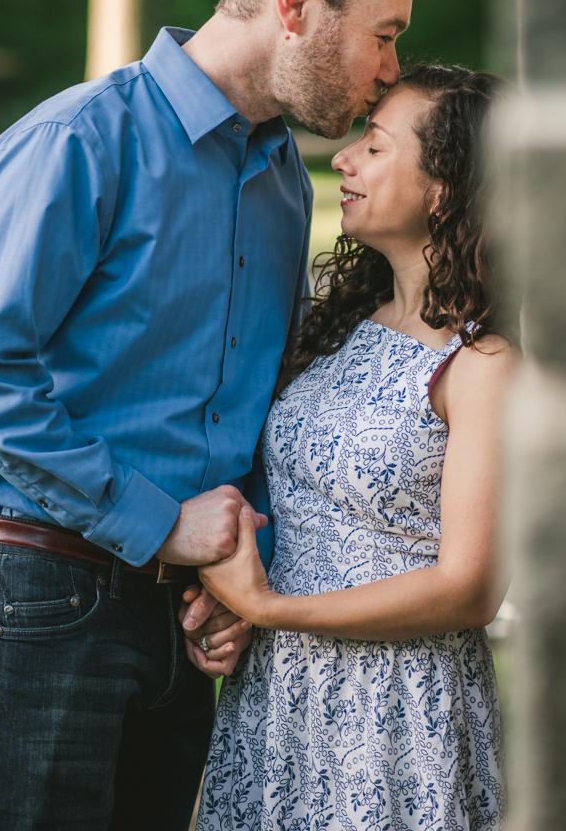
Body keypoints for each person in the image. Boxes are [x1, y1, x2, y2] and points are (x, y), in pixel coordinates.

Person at [0, 0, 414, 831]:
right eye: (383, 36)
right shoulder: (79, 141)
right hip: (40, 599)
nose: (389, 72)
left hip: (189, 613)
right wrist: (159, 526)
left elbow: (253, 397)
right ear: (295, 1)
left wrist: (241, 569)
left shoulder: (281, 180)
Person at [189, 65, 517, 831]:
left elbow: (469, 588)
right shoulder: (341, 324)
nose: (342, 159)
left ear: (445, 187)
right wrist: (240, 602)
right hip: (277, 694)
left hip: (396, 712)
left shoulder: (484, 366)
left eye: (374, 147)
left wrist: (269, 606)